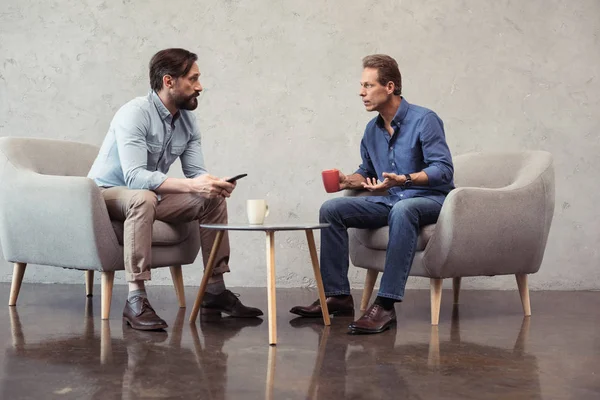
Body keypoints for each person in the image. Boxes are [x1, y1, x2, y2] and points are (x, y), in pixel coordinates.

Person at [88, 48, 262, 331]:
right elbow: (133, 177)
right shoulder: (134, 113)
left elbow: (196, 173)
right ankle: (135, 299)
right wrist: (194, 185)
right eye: (193, 79)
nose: (200, 87)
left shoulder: (188, 121)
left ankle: (215, 290)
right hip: (106, 194)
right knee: (142, 197)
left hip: (148, 195)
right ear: (169, 81)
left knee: (212, 200)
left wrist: (213, 183)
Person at [290, 54, 454, 334]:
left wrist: (403, 180)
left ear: (389, 87)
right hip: (389, 200)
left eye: (368, 85)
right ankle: (338, 296)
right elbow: (367, 171)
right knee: (332, 210)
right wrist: (347, 181)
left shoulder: (424, 120)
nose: (361, 92)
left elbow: (444, 170)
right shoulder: (371, 130)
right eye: (361, 86)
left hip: (429, 200)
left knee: (404, 209)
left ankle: (386, 304)